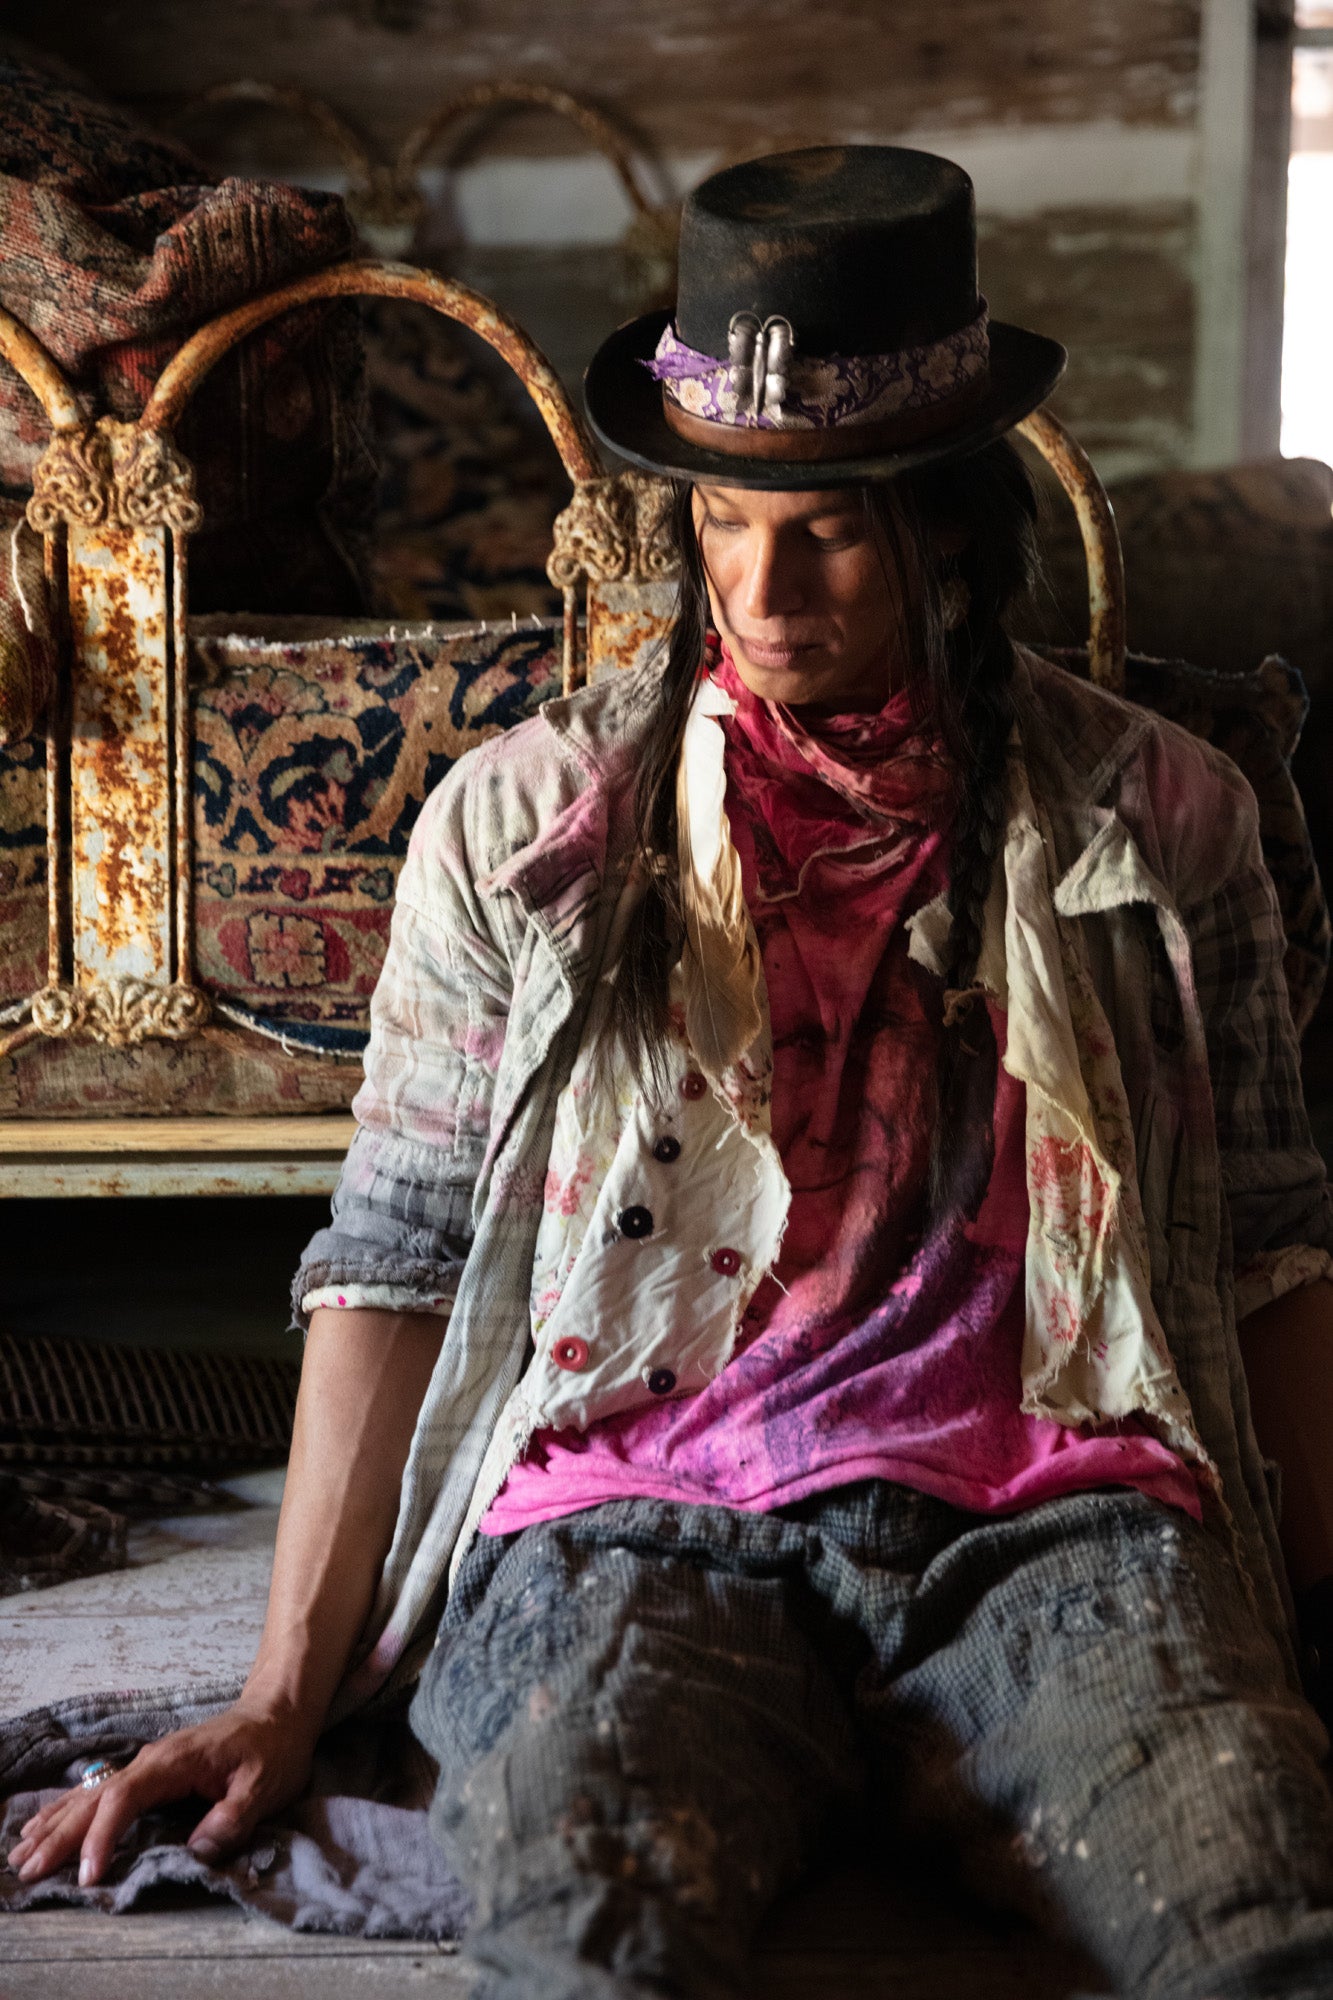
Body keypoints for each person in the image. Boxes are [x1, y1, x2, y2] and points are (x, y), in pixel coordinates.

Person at [11, 147, 1333, 1999]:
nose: (760, 590)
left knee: (1252, 1906)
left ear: (949, 532)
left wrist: (1297, 1636)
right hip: (639, 1511)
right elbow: (393, 1255)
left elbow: (1267, 1241)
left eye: (830, 532)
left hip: (1056, 1510)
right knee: (595, 1929)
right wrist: (280, 1696)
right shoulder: (524, 827)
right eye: (722, 520)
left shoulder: (1158, 815)